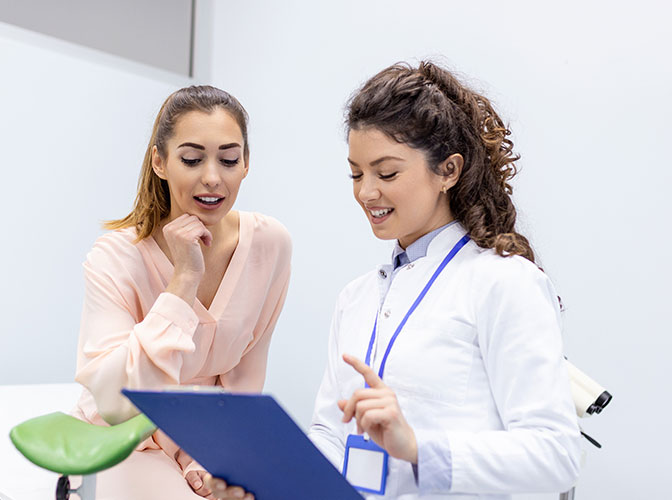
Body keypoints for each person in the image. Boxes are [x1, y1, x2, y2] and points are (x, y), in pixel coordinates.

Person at [210, 61, 581, 500]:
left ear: (448, 171)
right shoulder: (357, 298)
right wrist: (268, 480)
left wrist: (419, 449)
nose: (366, 192)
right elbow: (332, 436)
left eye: (386, 173)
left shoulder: (504, 282)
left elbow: (557, 455)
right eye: (356, 173)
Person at [71, 85, 292, 500]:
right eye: (191, 159)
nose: (212, 177)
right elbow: (116, 403)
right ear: (160, 162)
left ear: (246, 164)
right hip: (125, 436)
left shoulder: (270, 244)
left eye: (228, 159)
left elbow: (244, 381)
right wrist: (183, 281)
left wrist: (214, 456)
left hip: (208, 441)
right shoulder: (115, 257)